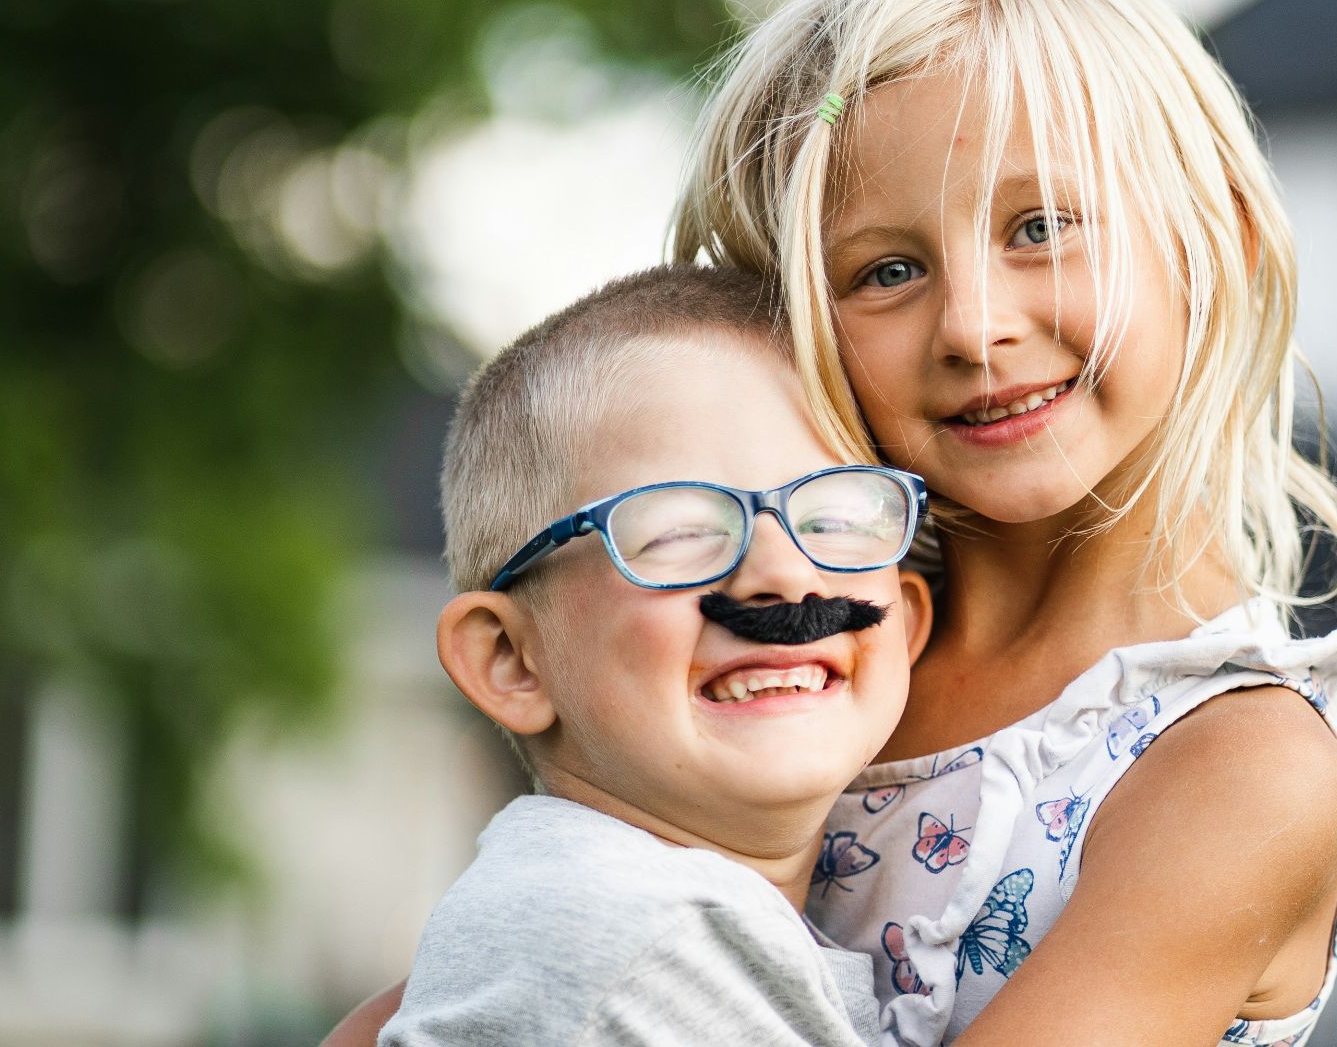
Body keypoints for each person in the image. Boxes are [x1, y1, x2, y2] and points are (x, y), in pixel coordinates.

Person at [665, 0, 1337, 1043]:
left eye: (1040, 226)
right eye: (887, 270)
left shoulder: (1239, 764)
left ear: (1214, 243)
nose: (972, 326)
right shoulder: (811, 658)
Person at [375, 265, 934, 1046]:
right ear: (511, 659)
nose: (782, 575)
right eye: (677, 531)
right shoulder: (634, 936)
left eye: (837, 514)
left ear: (907, 627)